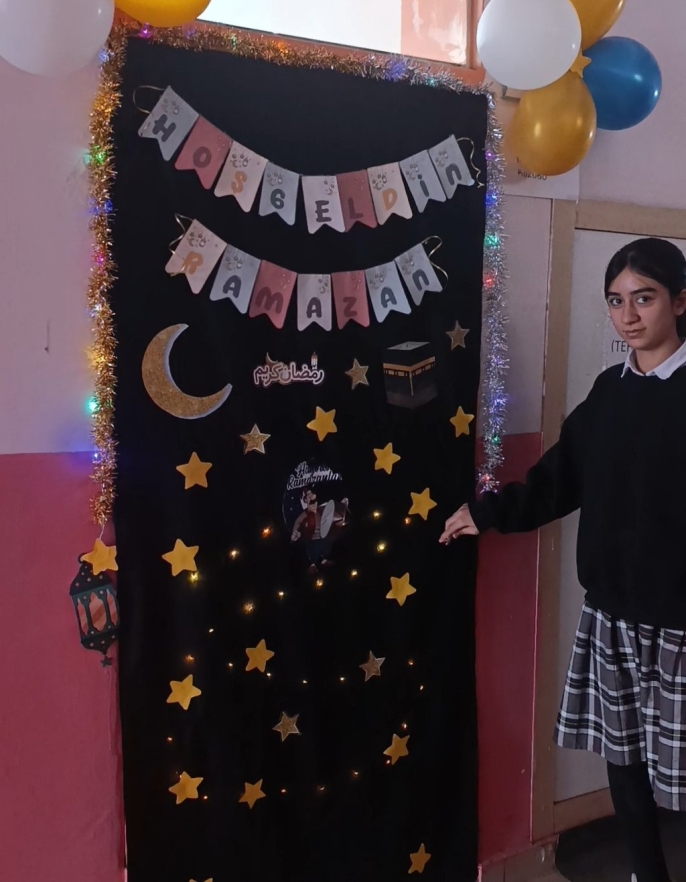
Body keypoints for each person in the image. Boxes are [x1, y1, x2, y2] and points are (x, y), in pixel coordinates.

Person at [440, 237, 686, 882]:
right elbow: (560, 478)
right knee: (625, 760)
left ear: (680, 301)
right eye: (616, 301)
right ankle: (648, 873)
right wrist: (488, 513)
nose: (628, 315)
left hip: (679, 623)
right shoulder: (610, 391)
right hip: (612, 616)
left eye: (644, 298)